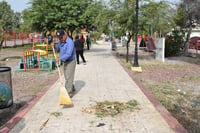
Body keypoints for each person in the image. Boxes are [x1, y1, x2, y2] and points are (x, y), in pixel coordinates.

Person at [51, 29, 76, 97]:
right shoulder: (61, 41)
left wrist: (60, 58)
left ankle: (68, 93)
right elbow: (57, 48)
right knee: (67, 76)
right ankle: (71, 86)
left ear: (65, 35)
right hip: (65, 61)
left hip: (71, 61)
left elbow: (68, 54)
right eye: (59, 38)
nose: (61, 39)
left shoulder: (70, 42)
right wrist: (54, 46)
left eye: (61, 37)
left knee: (68, 77)